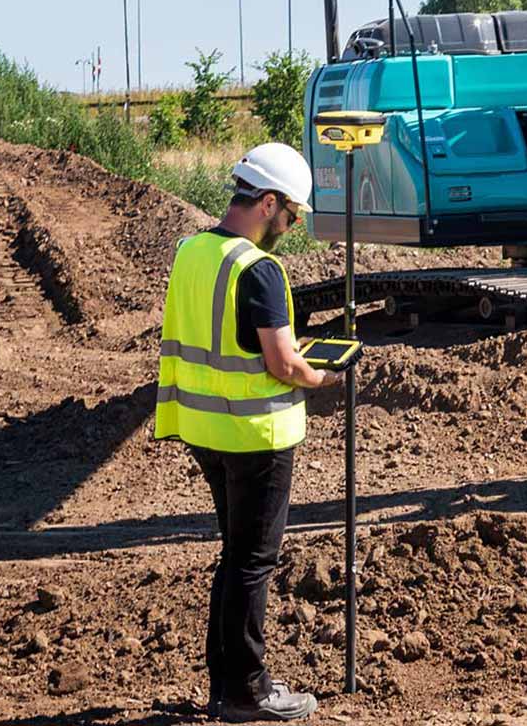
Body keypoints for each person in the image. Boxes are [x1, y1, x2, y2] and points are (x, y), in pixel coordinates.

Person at [153, 142, 334, 722]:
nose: (292, 227)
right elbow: (281, 364)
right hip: (258, 437)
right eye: (293, 215)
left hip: (205, 431)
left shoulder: (191, 251)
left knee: (236, 558)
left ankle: (225, 685)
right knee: (253, 563)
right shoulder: (259, 269)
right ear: (269, 202)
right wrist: (321, 374)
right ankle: (247, 691)